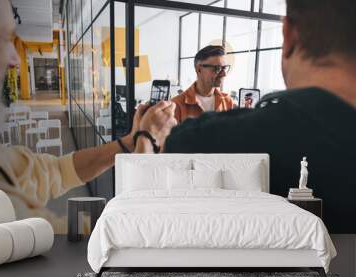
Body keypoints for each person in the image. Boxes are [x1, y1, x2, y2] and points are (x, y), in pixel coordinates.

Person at [137, 0, 356, 233]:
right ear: (198, 69)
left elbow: (149, 201)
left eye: (224, 68)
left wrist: (144, 136)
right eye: (215, 68)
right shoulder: (177, 108)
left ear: (288, 35)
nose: (221, 73)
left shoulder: (205, 128)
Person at [0, 0, 176, 233]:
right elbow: (127, 233)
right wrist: (147, 140)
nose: (14, 60)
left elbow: (54, 171)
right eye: (4, 39)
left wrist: (129, 141)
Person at [172, 45, 234, 123]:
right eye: (217, 68)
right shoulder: (176, 105)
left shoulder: (227, 102)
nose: (224, 74)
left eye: (224, 68)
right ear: (199, 69)